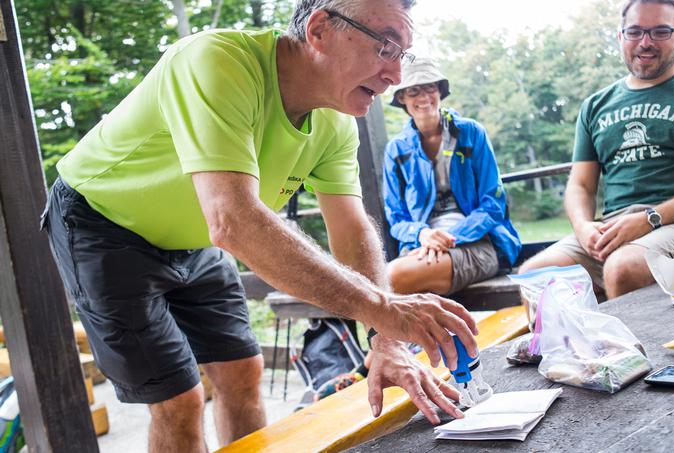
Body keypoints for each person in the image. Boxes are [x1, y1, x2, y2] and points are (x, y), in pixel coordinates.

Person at [40, 1, 480, 451]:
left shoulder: (336, 120)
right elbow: (233, 220)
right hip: (104, 223)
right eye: (386, 47)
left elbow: (350, 230)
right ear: (320, 29)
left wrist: (384, 337)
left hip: (198, 236)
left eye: (401, 56)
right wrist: (383, 308)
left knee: (243, 371)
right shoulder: (218, 61)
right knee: (180, 399)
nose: (395, 77)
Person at [520, 0, 674, 299]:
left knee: (624, 269)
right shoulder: (596, 105)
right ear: (620, 37)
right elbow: (580, 185)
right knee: (536, 276)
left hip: (671, 222)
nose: (645, 42)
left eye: (660, 31)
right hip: (614, 227)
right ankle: (585, 347)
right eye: (634, 32)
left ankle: (635, 348)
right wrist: (583, 227)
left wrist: (649, 219)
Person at [383, 58, 521, 296]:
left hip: (476, 242)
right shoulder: (396, 150)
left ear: (440, 91)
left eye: (430, 88)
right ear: (402, 98)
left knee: (393, 278)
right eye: (414, 90)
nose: (424, 97)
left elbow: (493, 204)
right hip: (421, 246)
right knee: (389, 281)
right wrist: (423, 234)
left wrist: (450, 237)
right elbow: (396, 218)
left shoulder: (471, 133)